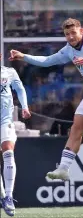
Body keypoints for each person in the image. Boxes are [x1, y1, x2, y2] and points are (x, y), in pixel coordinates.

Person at [9, 18, 83, 181]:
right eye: (67, 34)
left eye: (73, 33)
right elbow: (47, 61)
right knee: (76, 127)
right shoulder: (69, 50)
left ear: (81, 31)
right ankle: (63, 168)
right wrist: (23, 56)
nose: (70, 37)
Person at [1, 54, 31, 216]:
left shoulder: (9, 72)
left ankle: (8, 196)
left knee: (8, 151)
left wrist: (25, 106)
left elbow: (19, 89)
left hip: (5, 120)